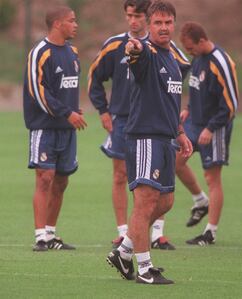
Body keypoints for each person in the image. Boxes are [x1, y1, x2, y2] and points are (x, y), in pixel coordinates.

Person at [88, 0, 190, 250]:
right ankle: (126, 236)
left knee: (163, 199)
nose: (133, 20)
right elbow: (101, 73)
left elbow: (175, 87)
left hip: (164, 129)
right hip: (128, 122)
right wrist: (103, 110)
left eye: (167, 22)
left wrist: (179, 129)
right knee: (127, 181)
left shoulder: (171, 54)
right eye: (129, 16)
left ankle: (142, 237)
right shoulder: (131, 48)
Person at [23, 6, 87, 251]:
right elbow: (37, 91)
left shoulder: (73, 52)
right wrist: (66, 112)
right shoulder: (39, 52)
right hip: (45, 127)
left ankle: (51, 234)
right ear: (58, 24)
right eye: (72, 21)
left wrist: (74, 109)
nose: (76, 25)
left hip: (67, 129)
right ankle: (40, 236)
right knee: (44, 178)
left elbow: (67, 87)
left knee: (61, 181)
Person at [176, 22, 239, 246]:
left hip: (216, 126)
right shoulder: (198, 58)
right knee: (175, 161)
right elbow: (195, 88)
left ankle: (210, 232)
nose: (189, 52)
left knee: (212, 178)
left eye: (191, 48)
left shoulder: (221, 62)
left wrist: (211, 129)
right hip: (194, 123)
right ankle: (200, 200)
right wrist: (187, 109)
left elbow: (231, 105)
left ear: (202, 41)